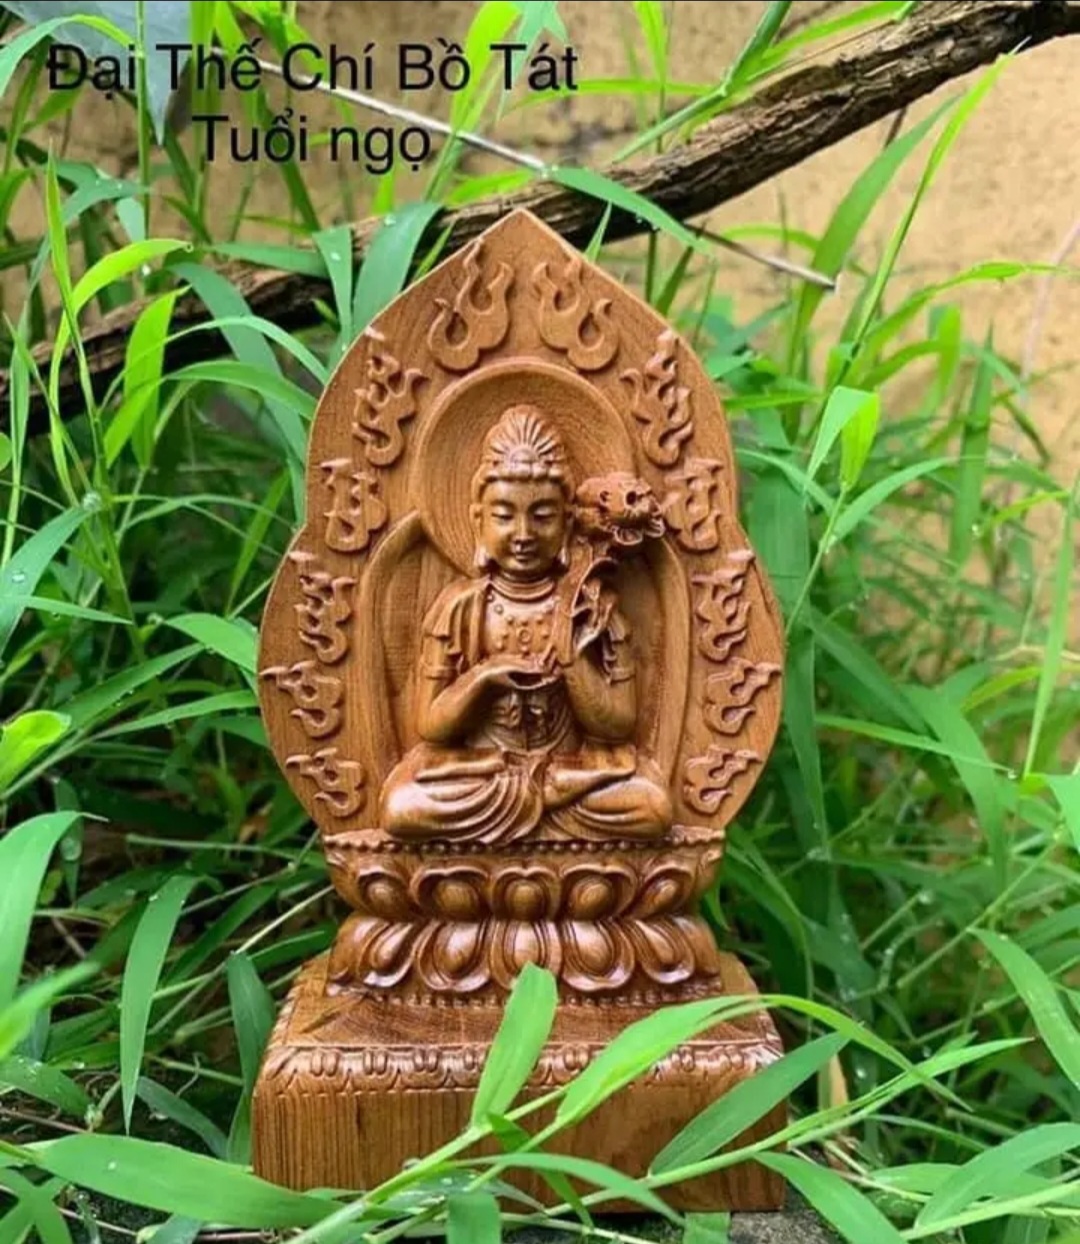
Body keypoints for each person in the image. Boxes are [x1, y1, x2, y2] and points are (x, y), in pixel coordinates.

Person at [379, 404, 673, 844]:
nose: (522, 534)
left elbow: (618, 725)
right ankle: (539, 816)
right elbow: (431, 725)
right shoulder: (459, 608)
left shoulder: (593, 606)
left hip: (571, 774)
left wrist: (572, 662)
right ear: (478, 520)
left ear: (568, 521)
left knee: (652, 805)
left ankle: (533, 816)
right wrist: (484, 677)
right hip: (484, 775)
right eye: (503, 516)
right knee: (402, 808)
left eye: (542, 516)